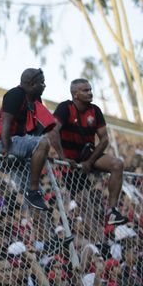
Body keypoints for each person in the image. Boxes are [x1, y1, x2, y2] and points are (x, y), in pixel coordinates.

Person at [53, 78, 126, 226]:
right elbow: (52, 131)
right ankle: (96, 241)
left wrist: (90, 161)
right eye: (85, 90)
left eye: (90, 89)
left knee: (117, 164)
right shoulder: (65, 108)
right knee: (85, 206)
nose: (90, 93)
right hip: (71, 163)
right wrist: (63, 157)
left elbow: (104, 139)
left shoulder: (95, 110)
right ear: (75, 94)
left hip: (89, 157)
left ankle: (112, 211)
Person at [0, 68, 60, 211]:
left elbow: (37, 130)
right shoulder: (15, 94)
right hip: (4, 144)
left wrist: (44, 153)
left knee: (35, 204)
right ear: (32, 84)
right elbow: (6, 122)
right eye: (42, 83)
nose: (44, 86)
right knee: (43, 142)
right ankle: (32, 190)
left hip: (20, 151)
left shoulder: (35, 101)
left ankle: (33, 197)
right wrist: (4, 148)